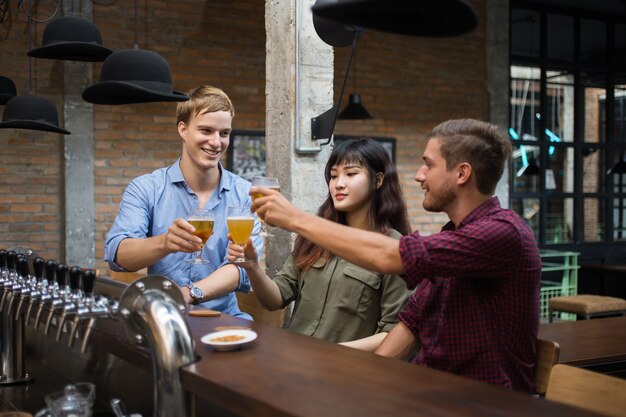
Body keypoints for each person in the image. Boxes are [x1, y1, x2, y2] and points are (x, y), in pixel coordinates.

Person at [250, 119, 541, 392]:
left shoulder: (503, 232)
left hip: (481, 400)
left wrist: (295, 219)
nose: (418, 175)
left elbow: (391, 256)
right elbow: (411, 324)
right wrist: (346, 374)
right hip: (426, 390)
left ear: (462, 173)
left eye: (428, 165)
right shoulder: (454, 236)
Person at [227, 138, 413, 351]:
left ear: (378, 180)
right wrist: (252, 267)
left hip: (345, 370)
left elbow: (393, 334)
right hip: (294, 360)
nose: (339, 183)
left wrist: (330, 353)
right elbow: (275, 299)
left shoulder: (393, 248)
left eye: (351, 174)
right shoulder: (315, 236)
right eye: (333, 176)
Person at [105, 85, 262, 319]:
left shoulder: (245, 193)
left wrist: (189, 293)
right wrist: (165, 243)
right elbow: (117, 254)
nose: (216, 142)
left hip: (224, 320)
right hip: (161, 317)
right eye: (206, 130)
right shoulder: (146, 188)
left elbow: (242, 268)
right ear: (183, 129)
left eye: (224, 133)